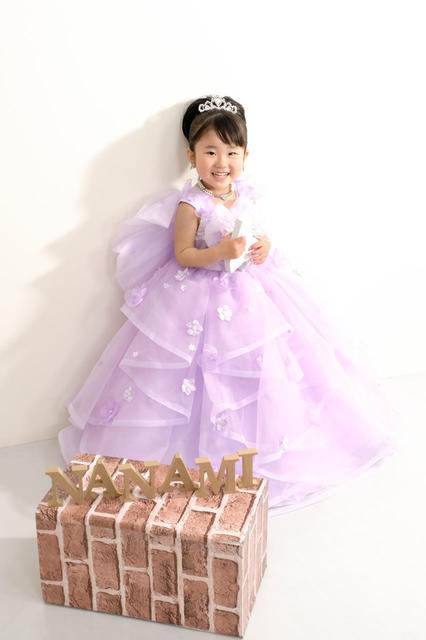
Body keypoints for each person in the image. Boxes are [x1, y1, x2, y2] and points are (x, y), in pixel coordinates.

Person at [58, 94, 400, 514]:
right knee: (197, 374)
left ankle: (264, 448)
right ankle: (197, 460)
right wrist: (219, 252)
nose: (221, 162)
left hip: (252, 294)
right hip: (196, 297)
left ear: (245, 155)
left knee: (264, 364)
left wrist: (262, 246)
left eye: (231, 152)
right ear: (191, 155)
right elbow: (183, 253)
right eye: (210, 152)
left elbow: (255, 233)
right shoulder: (191, 204)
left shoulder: (245, 194)